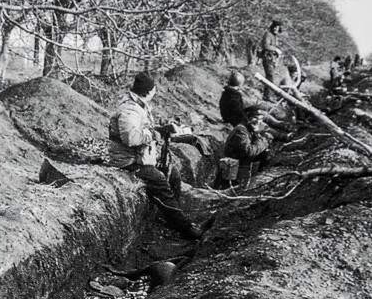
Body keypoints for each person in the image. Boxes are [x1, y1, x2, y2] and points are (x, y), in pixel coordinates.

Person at [108, 71, 211, 238]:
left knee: (174, 174)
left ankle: (174, 219)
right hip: (127, 161)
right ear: (149, 91)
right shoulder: (130, 109)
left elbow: (142, 130)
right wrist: (154, 134)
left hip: (140, 157)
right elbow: (131, 138)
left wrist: (160, 130)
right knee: (160, 181)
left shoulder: (139, 106)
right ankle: (185, 228)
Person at [220, 104, 274, 190]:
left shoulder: (253, 127)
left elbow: (269, 132)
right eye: (255, 118)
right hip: (235, 166)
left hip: (245, 163)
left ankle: (260, 179)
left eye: (261, 118)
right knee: (234, 189)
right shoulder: (241, 130)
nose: (258, 121)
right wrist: (264, 140)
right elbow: (249, 151)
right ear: (248, 117)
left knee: (267, 153)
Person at [258, 20, 284, 100]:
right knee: (270, 77)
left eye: (278, 27)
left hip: (272, 59)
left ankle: (268, 95)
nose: (276, 29)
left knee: (271, 77)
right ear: (272, 27)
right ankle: (267, 96)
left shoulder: (275, 36)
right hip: (267, 58)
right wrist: (276, 49)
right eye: (275, 27)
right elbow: (265, 45)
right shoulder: (268, 35)